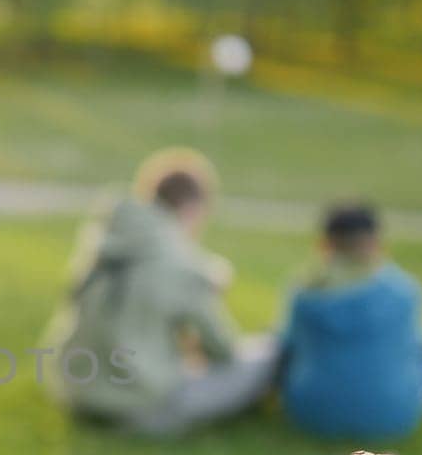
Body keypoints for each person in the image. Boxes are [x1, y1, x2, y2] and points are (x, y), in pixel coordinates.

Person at [43, 148, 276, 435]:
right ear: (192, 209)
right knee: (269, 353)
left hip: (77, 394)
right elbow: (223, 351)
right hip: (140, 408)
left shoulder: (102, 244)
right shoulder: (180, 263)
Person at [277, 201, 422, 439]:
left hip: (311, 414)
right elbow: (420, 348)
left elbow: (286, 347)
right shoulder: (405, 290)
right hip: (394, 418)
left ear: (324, 245)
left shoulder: (304, 291)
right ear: (377, 243)